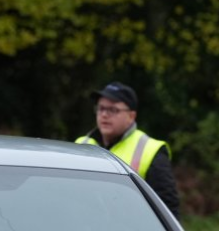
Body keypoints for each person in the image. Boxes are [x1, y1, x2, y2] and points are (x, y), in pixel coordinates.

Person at [76, 82, 180, 218]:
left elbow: (168, 211)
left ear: (131, 116)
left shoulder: (150, 150)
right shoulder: (81, 145)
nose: (104, 115)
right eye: (101, 108)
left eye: (113, 110)